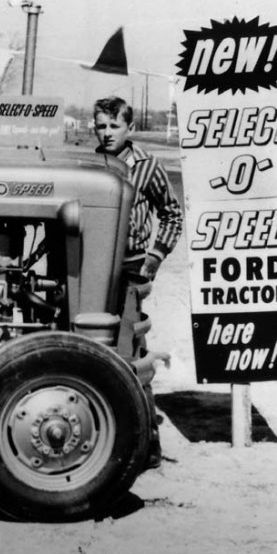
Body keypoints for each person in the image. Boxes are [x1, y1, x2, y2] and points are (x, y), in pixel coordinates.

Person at [93, 95, 183, 468]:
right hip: (94, 269)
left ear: (129, 128)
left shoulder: (146, 166)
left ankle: (148, 443)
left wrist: (155, 256)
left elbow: (172, 214)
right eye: (102, 125)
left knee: (133, 355)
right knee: (95, 349)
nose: (108, 132)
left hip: (131, 268)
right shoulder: (90, 164)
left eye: (115, 126)